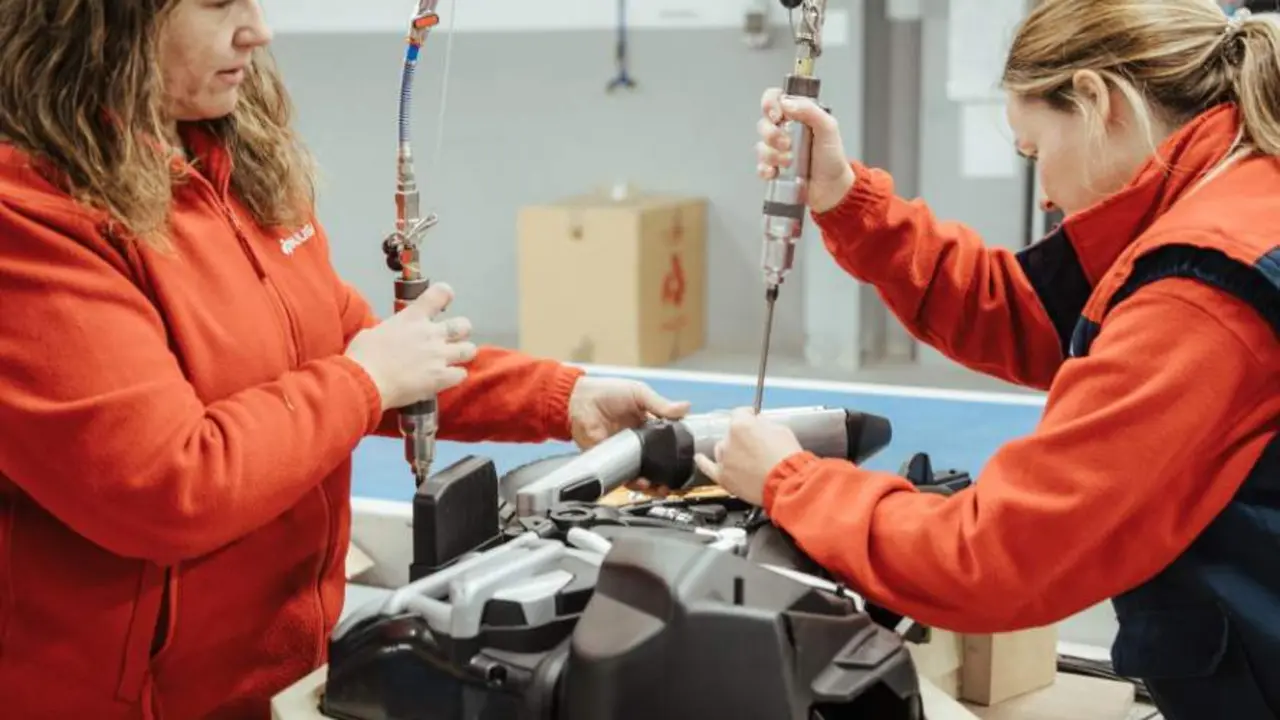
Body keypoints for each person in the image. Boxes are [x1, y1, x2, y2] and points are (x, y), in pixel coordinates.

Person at [0, 1, 689, 718]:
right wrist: (364, 381)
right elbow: (169, 482)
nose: (257, 30)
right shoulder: (29, 216)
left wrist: (562, 397)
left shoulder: (229, 161)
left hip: (262, 683)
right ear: (101, 22)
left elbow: (360, 348)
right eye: (216, 4)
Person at [699, 0, 1280, 716]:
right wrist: (845, 197)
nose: (1044, 196)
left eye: (1034, 150)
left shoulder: (1204, 287)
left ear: (1098, 100)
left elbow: (993, 557)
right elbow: (1028, 313)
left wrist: (788, 481)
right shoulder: (1223, 190)